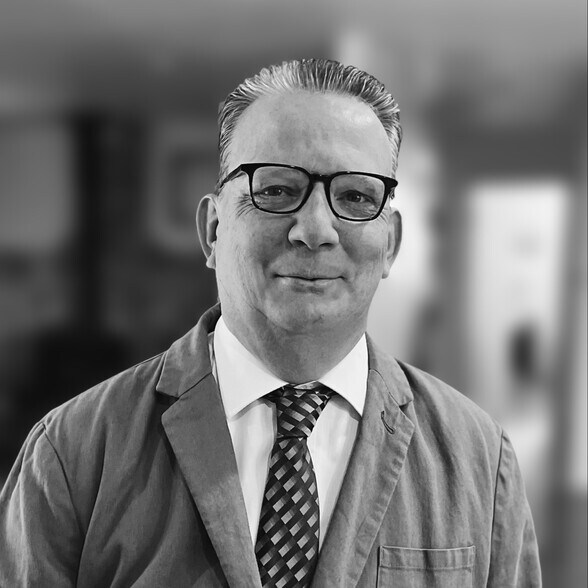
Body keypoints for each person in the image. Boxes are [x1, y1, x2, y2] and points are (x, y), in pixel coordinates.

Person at [0, 58, 541, 587]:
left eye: (355, 196)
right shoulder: (72, 454)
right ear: (213, 230)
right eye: (277, 190)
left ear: (391, 243)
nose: (315, 230)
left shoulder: (479, 462)